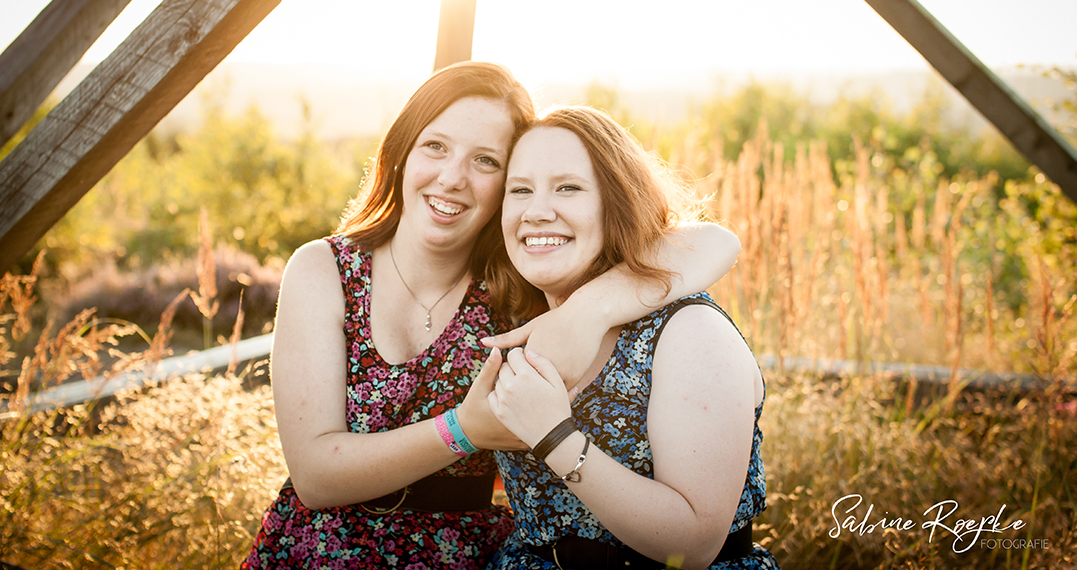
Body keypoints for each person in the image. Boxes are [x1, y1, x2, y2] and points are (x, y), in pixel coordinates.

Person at [241, 63, 741, 569]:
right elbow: (314, 474)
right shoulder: (326, 269)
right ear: (400, 153)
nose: (452, 178)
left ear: (505, 183)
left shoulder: (518, 282)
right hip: (320, 550)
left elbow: (714, 242)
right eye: (435, 146)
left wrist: (586, 312)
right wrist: (464, 430)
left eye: (485, 160)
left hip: (465, 553)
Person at [484, 106, 778, 570]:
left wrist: (552, 434)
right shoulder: (515, 318)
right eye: (520, 190)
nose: (537, 211)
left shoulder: (687, 330)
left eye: (568, 187)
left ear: (617, 202)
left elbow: (694, 543)